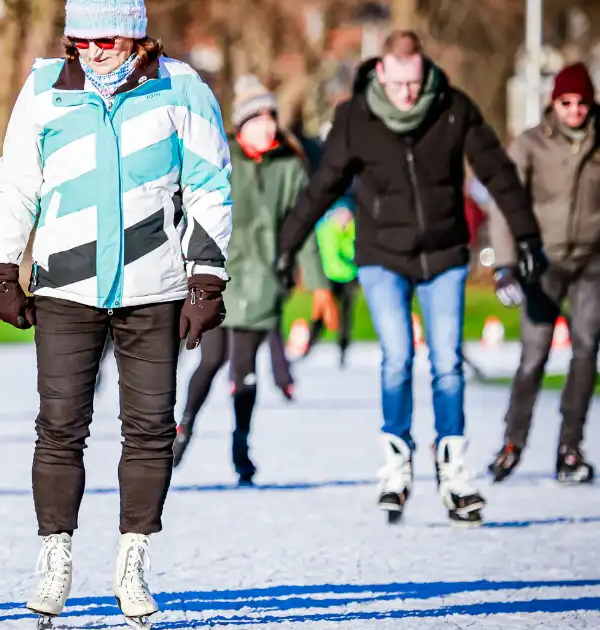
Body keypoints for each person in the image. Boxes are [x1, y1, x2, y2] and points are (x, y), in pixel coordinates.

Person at [0, 0, 232, 626]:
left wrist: (206, 278)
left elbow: (209, 182)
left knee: (149, 428)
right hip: (66, 285)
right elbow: (17, 182)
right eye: (81, 39)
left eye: (106, 39)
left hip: (155, 285)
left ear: (136, 35)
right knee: (60, 426)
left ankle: (133, 560)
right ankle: (55, 557)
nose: (92, 51)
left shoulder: (182, 87)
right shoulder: (44, 88)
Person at [276, 30, 546, 526]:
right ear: (381, 73)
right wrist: (286, 246)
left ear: (425, 72)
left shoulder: (452, 106)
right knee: (397, 358)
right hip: (381, 255)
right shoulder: (356, 117)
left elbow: (499, 172)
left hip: (443, 255)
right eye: (399, 84)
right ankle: (396, 466)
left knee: (447, 362)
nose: (407, 94)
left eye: (414, 83)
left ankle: (454, 471)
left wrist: (526, 237)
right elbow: (323, 186)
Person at [172, 76, 334, 482]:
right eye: (258, 120)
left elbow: (306, 230)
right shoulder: (219, 162)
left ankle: (241, 446)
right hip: (217, 280)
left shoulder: (290, 170)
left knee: (244, 370)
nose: (268, 127)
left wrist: (318, 285)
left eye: (271, 119)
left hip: (263, 282)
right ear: (241, 126)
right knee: (210, 360)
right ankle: (183, 428)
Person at [488, 62, 600, 485]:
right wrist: (506, 266)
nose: (575, 110)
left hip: (591, 262)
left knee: (586, 349)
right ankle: (513, 442)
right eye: (567, 102)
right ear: (554, 103)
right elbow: (504, 204)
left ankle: (570, 448)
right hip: (542, 262)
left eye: (582, 103)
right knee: (533, 357)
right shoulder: (531, 144)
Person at [308, 197, 358, 367]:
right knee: (321, 313)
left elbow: (354, 252)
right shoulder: (326, 229)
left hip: (348, 276)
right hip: (327, 277)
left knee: (345, 316)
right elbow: (319, 252)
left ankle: (343, 349)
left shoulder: (352, 230)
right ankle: (309, 344)